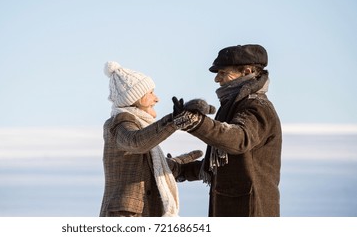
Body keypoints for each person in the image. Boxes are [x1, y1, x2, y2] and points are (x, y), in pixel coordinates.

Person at [173, 44, 282, 217]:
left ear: (246, 72)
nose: (217, 79)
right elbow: (223, 165)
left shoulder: (257, 106)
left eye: (222, 72)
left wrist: (197, 123)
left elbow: (238, 139)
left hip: (251, 211)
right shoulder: (234, 106)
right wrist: (181, 170)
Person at [100, 61, 202, 217]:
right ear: (136, 98)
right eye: (151, 93)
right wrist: (174, 121)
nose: (157, 99)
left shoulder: (139, 126)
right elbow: (137, 142)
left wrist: (199, 167)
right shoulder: (119, 123)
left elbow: (151, 167)